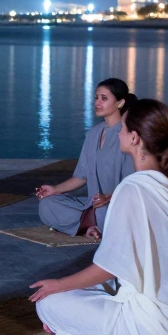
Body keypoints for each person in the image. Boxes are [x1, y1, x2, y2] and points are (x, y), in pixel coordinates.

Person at [30, 99, 168, 335]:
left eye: (122, 128)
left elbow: (108, 268)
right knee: (100, 288)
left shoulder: (132, 189)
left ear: (134, 138)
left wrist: (59, 284)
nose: (117, 132)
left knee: (49, 301)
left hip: (149, 329)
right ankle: (77, 321)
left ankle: (67, 325)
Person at [35, 78, 137, 238]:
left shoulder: (127, 136)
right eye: (96, 97)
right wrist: (55, 189)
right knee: (47, 205)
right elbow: (81, 176)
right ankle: (91, 226)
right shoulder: (93, 134)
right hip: (92, 204)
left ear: (120, 102)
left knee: (106, 211)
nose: (97, 102)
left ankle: (90, 225)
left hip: (116, 203)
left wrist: (107, 198)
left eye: (104, 98)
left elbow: (132, 183)